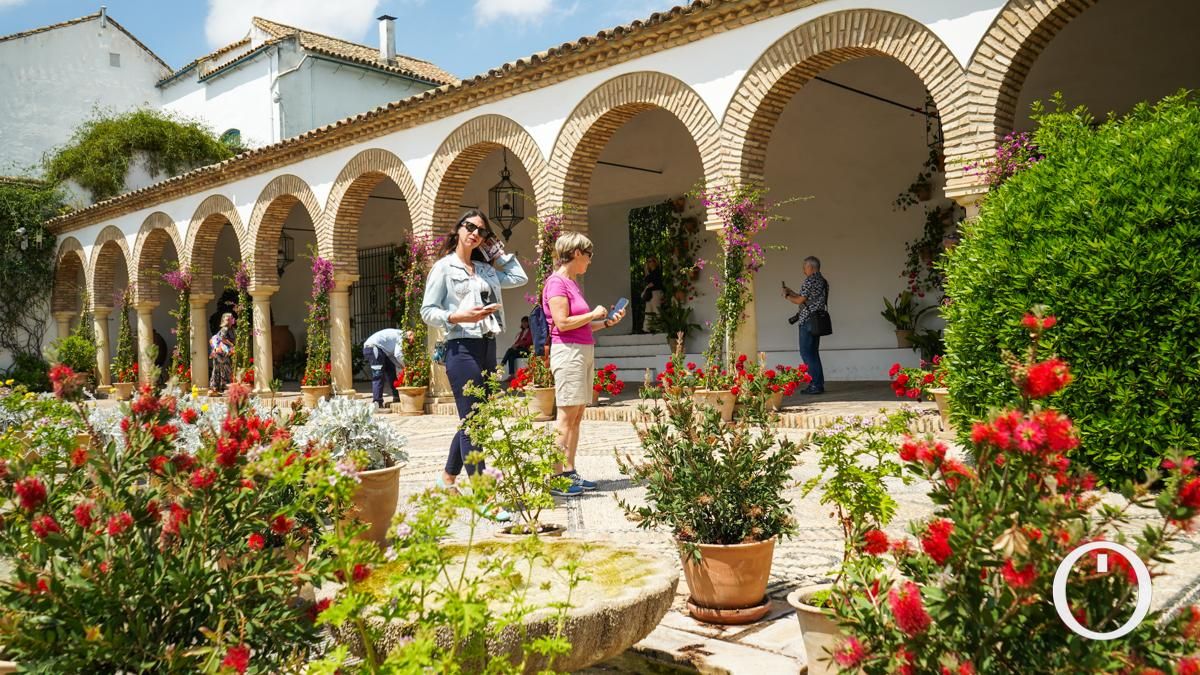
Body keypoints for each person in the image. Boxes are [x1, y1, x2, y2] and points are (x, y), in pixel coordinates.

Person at [421, 209, 528, 490]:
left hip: (487, 346)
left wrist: (497, 252)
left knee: (477, 416)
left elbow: (519, 277)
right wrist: (458, 316)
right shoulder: (443, 268)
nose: (475, 233)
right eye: (470, 227)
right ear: (458, 229)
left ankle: (447, 477)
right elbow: (428, 311)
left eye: (482, 231)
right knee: (473, 422)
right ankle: (484, 492)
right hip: (460, 347)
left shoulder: (485, 269)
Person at [543, 232, 626, 496]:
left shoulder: (572, 283)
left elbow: (582, 325)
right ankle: (555, 477)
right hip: (568, 353)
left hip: (582, 350)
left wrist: (606, 322)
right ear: (576, 253)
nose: (589, 262)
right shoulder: (557, 283)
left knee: (577, 416)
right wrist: (593, 313)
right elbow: (562, 323)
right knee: (566, 417)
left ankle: (570, 472)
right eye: (588, 256)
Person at [783, 256, 827, 394]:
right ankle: (818, 384)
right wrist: (792, 292)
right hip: (816, 321)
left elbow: (799, 301)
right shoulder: (821, 280)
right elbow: (806, 299)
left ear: (811, 267)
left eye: (805, 267)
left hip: (807, 320)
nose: (803, 270)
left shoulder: (810, 280)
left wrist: (786, 296)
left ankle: (815, 385)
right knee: (813, 353)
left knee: (807, 354)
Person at [362, 328, 414, 409]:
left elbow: (393, 358)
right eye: (412, 341)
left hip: (382, 351)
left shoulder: (398, 336)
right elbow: (398, 354)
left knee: (391, 371)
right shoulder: (402, 336)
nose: (411, 344)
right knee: (378, 375)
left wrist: (401, 366)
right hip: (373, 348)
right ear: (410, 335)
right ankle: (377, 403)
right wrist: (406, 366)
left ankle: (396, 397)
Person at [208, 312, 235, 393]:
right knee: (224, 368)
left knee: (219, 369)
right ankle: (222, 386)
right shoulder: (225, 329)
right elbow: (222, 338)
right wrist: (231, 344)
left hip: (221, 352)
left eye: (231, 318)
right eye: (230, 319)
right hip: (221, 353)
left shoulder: (230, 329)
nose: (232, 320)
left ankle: (217, 387)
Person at [500, 316, 532, 380]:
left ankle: (502, 364)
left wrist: (518, 344)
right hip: (520, 349)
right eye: (523, 322)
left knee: (510, 351)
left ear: (529, 323)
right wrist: (514, 346)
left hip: (527, 350)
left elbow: (529, 341)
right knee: (511, 355)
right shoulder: (522, 332)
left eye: (525, 322)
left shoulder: (531, 331)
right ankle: (512, 375)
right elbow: (518, 341)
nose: (524, 324)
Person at [640, 256, 664, 333]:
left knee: (656, 310)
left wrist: (651, 283)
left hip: (656, 293)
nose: (650, 263)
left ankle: (659, 328)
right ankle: (646, 328)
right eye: (649, 261)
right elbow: (648, 281)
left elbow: (655, 282)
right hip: (650, 294)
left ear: (655, 262)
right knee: (648, 310)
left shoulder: (657, 271)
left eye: (652, 261)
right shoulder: (650, 272)